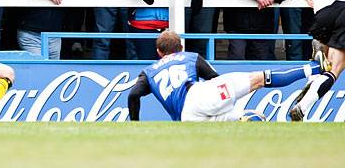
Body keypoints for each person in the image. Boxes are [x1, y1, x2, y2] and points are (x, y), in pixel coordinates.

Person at [127, 31, 329, 121]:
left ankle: (244, 118)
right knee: (261, 78)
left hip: (187, 118)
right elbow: (214, 78)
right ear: (180, 47)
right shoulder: (189, 57)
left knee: (238, 119)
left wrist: (135, 123)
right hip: (201, 96)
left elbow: (133, 95)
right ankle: (313, 68)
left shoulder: (149, 71)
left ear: (159, 52)